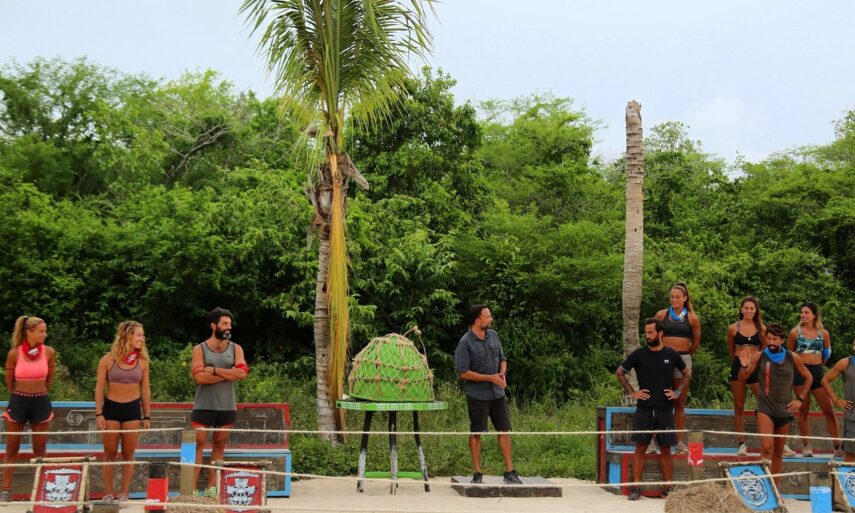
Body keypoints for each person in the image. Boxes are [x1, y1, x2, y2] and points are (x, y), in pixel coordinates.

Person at [616, 318, 690, 500]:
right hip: (644, 408)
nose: (647, 336)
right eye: (646, 332)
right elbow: (620, 372)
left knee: (666, 449)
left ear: (660, 333)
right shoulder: (639, 354)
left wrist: (677, 391)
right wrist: (632, 392)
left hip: (665, 408)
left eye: (650, 332)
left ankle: (668, 488)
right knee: (640, 447)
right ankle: (636, 488)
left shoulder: (671, 354)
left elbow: (687, 373)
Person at [454, 304, 522, 485]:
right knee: (476, 433)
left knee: (504, 430)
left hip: (498, 394)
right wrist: (489, 378)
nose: (491, 319)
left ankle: (510, 472)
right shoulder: (465, 342)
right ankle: (477, 474)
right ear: (478, 321)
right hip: (477, 395)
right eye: (488, 316)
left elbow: (503, 358)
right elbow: (463, 373)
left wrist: (501, 374)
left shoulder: (494, 335)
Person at [739, 323, 812, 483]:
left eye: (775, 339)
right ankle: (763, 486)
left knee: (778, 453)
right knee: (767, 448)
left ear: (782, 340)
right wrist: (744, 366)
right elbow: (743, 377)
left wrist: (800, 399)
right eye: (769, 339)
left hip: (784, 410)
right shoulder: (760, 356)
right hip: (765, 408)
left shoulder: (792, 357)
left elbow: (809, 377)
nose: (771, 342)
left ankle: (776, 489)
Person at [190, 307, 248, 497]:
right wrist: (229, 373)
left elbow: (242, 373)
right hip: (203, 405)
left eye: (229, 324)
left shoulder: (236, 348)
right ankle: (191, 489)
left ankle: (211, 488)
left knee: (220, 444)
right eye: (224, 323)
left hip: (227, 406)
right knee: (198, 444)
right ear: (214, 326)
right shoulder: (199, 349)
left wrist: (215, 371)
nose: (228, 327)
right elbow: (199, 378)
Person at [94, 321, 152, 504]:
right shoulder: (107, 360)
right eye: (139, 335)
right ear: (128, 335)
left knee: (128, 453)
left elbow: (145, 389)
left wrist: (147, 415)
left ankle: (124, 493)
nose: (142, 338)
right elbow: (99, 387)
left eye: (142, 335)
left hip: (132, 409)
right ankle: (108, 493)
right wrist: (99, 413)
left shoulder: (142, 362)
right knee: (109, 453)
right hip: (111, 408)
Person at [1, 316, 57, 503]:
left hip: (40, 400)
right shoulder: (14, 354)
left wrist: (40, 392)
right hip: (19, 400)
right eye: (41, 331)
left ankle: (41, 489)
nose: (44, 334)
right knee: (12, 446)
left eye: (45, 331)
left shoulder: (49, 352)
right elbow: (9, 380)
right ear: (29, 332)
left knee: (39, 447)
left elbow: (50, 378)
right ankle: (6, 489)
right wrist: (18, 394)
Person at [786, 301, 839, 457]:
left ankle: (838, 446)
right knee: (803, 410)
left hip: (817, 371)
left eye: (806, 312)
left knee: (828, 410)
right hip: (800, 373)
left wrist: (819, 366)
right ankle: (807, 446)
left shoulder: (824, 333)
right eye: (802, 312)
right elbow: (789, 354)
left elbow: (827, 353)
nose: (803, 315)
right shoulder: (795, 332)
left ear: (814, 315)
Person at [653, 282, 700, 454]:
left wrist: (684, 355)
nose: (674, 300)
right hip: (662, 359)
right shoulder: (661, 315)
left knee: (679, 402)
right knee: (658, 400)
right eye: (672, 297)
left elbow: (695, 343)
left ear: (685, 298)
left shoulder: (692, 318)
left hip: (682, 360)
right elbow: (652, 335)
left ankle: (678, 441)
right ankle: (654, 442)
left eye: (678, 297)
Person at [727, 296, 766, 456]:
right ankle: (741, 443)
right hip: (739, 366)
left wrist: (754, 364)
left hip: (755, 366)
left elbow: (764, 351)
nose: (749, 311)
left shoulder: (762, 329)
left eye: (752, 308)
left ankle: (770, 439)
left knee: (765, 401)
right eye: (746, 308)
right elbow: (731, 351)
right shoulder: (733, 328)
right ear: (741, 309)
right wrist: (740, 363)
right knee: (739, 405)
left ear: (756, 310)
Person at [820, 338, 855, 462]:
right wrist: (836, 399)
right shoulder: (845, 363)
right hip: (852, 416)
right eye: (854, 344)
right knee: (851, 455)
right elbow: (825, 380)